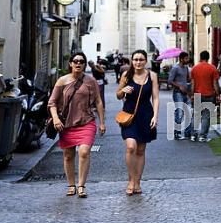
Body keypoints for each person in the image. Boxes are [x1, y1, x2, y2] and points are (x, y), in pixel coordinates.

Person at [48, 51, 106, 198]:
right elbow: (52, 103)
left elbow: (98, 101)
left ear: (85, 64)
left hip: (86, 121)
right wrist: (55, 118)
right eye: (75, 61)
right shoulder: (62, 81)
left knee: (84, 151)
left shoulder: (90, 81)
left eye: (81, 61)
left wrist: (102, 122)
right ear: (71, 64)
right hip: (66, 123)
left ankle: (81, 185)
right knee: (68, 155)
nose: (78, 63)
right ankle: (71, 185)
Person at [116, 50, 159, 195]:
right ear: (132, 61)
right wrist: (123, 90)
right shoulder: (126, 75)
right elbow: (118, 95)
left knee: (140, 150)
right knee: (130, 147)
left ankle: (138, 182)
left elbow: (156, 98)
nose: (138, 62)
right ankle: (131, 181)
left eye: (141, 59)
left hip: (146, 114)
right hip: (129, 115)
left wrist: (155, 116)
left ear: (146, 61)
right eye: (135, 59)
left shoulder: (152, 76)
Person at [190, 50, 220, 142]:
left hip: (197, 94)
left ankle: (193, 135)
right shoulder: (212, 68)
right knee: (206, 116)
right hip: (209, 95)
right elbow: (215, 83)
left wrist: (192, 95)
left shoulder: (194, 69)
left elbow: (192, 84)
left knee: (196, 115)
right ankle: (203, 136)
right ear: (208, 58)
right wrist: (218, 94)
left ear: (200, 57)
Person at [168, 51, 192, 140]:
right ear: (181, 59)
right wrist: (179, 86)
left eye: (188, 58)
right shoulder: (175, 68)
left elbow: (186, 79)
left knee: (188, 111)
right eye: (186, 58)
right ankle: (177, 133)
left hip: (186, 93)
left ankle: (187, 133)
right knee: (179, 112)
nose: (187, 59)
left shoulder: (186, 68)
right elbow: (170, 81)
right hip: (178, 93)